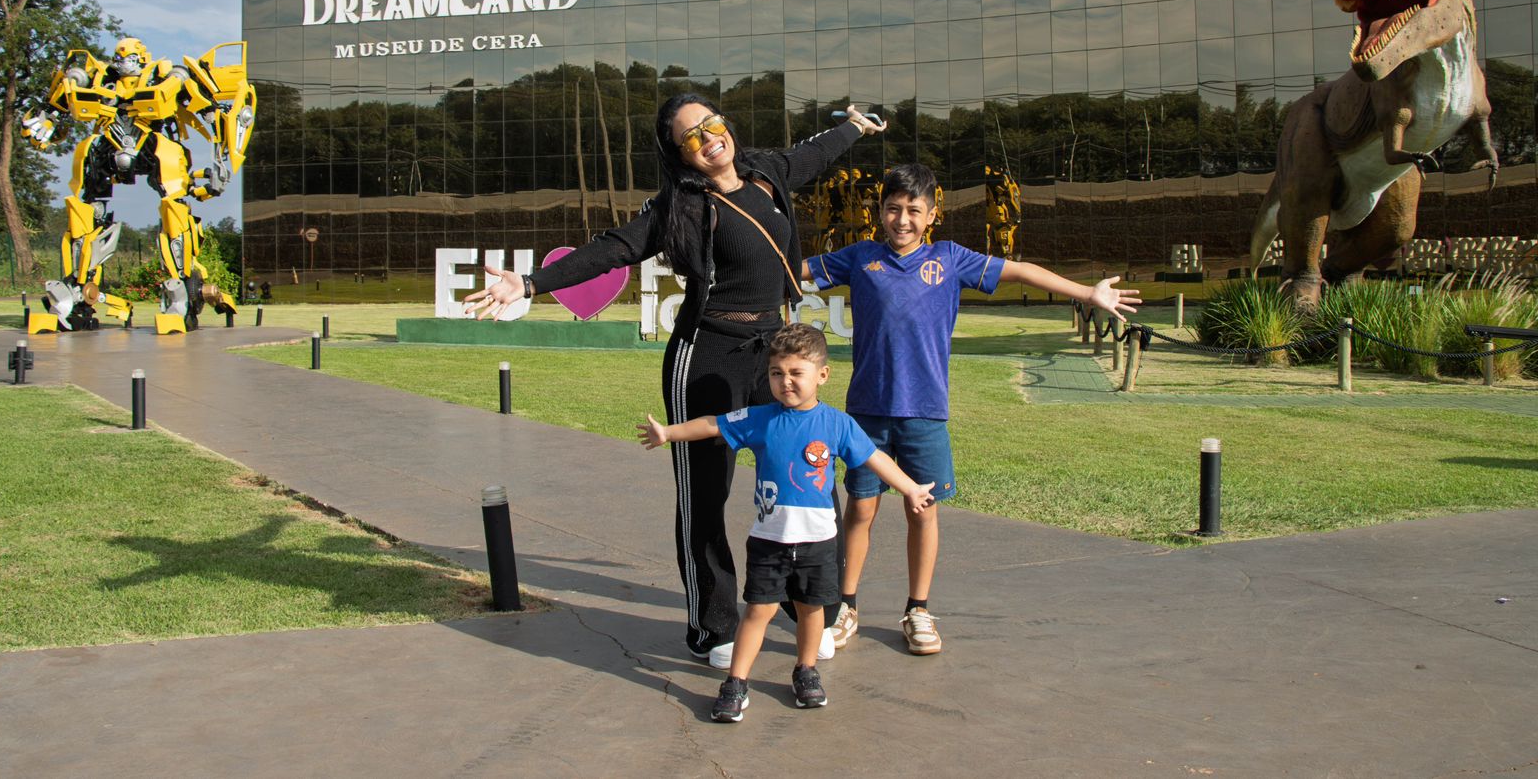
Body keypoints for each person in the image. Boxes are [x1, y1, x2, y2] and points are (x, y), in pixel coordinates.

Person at [465, 94, 885, 668]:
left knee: (808, 474)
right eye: (691, 136)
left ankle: (806, 600)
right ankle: (712, 627)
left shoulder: (768, 173)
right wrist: (531, 284)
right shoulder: (680, 206)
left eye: (711, 125)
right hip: (707, 355)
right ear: (679, 153)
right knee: (706, 498)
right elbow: (611, 249)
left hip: (775, 355)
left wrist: (855, 128)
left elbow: (814, 153)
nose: (708, 138)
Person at [804, 163, 1139, 657]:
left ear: (932, 214)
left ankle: (918, 609)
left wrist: (1088, 292)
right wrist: (734, 262)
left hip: (925, 414)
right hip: (866, 415)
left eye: (913, 211)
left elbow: (1021, 271)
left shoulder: (951, 259)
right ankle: (845, 606)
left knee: (923, 510)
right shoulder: (861, 258)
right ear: (879, 211)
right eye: (893, 209)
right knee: (861, 509)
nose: (902, 220)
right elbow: (798, 269)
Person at [637, 323, 934, 722]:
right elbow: (713, 424)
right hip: (769, 541)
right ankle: (736, 683)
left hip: (818, 544)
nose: (786, 382)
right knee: (758, 611)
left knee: (812, 612)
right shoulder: (759, 419)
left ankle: (806, 671)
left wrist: (911, 488)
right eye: (777, 373)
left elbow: (874, 458)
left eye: (797, 373)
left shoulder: (837, 424)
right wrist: (668, 433)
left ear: (822, 376)